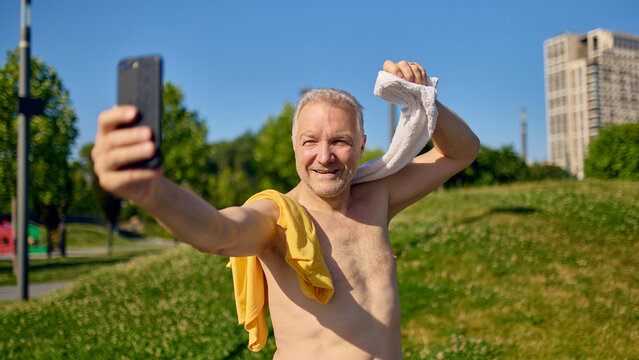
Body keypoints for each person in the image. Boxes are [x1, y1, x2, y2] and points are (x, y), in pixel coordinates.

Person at [92, 60, 480, 359]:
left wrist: (423, 97)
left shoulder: (377, 195)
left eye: (340, 141)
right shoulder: (277, 217)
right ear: (294, 145)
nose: (324, 157)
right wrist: (150, 192)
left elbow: (461, 152)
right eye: (311, 141)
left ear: (361, 145)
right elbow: (216, 232)